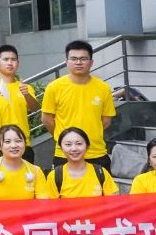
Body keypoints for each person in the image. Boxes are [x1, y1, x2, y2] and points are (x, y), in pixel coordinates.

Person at [41, 40, 116, 169]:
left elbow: (106, 120)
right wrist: (63, 138)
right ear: (66, 62)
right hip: (64, 154)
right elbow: (47, 120)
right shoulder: (54, 87)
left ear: (91, 62)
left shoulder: (103, 88)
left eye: (83, 59)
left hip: (96, 152)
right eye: (74, 59)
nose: (78, 62)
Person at [0, 125, 49, 201]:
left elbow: (43, 202)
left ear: (25, 143)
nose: (13, 145)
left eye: (18, 141)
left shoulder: (36, 171)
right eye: (7, 142)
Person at [0, 44, 40, 163]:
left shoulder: (25, 87)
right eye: (6, 59)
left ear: (17, 64)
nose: (10, 63)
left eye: (13, 60)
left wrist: (26, 94)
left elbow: (35, 108)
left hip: (22, 143)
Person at [46, 128, 119, 198]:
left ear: (87, 146)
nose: (74, 149)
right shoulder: (54, 176)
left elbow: (114, 201)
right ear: (61, 148)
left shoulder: (101, 172)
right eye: (68, 144)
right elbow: (49, 205)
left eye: (79, 144)